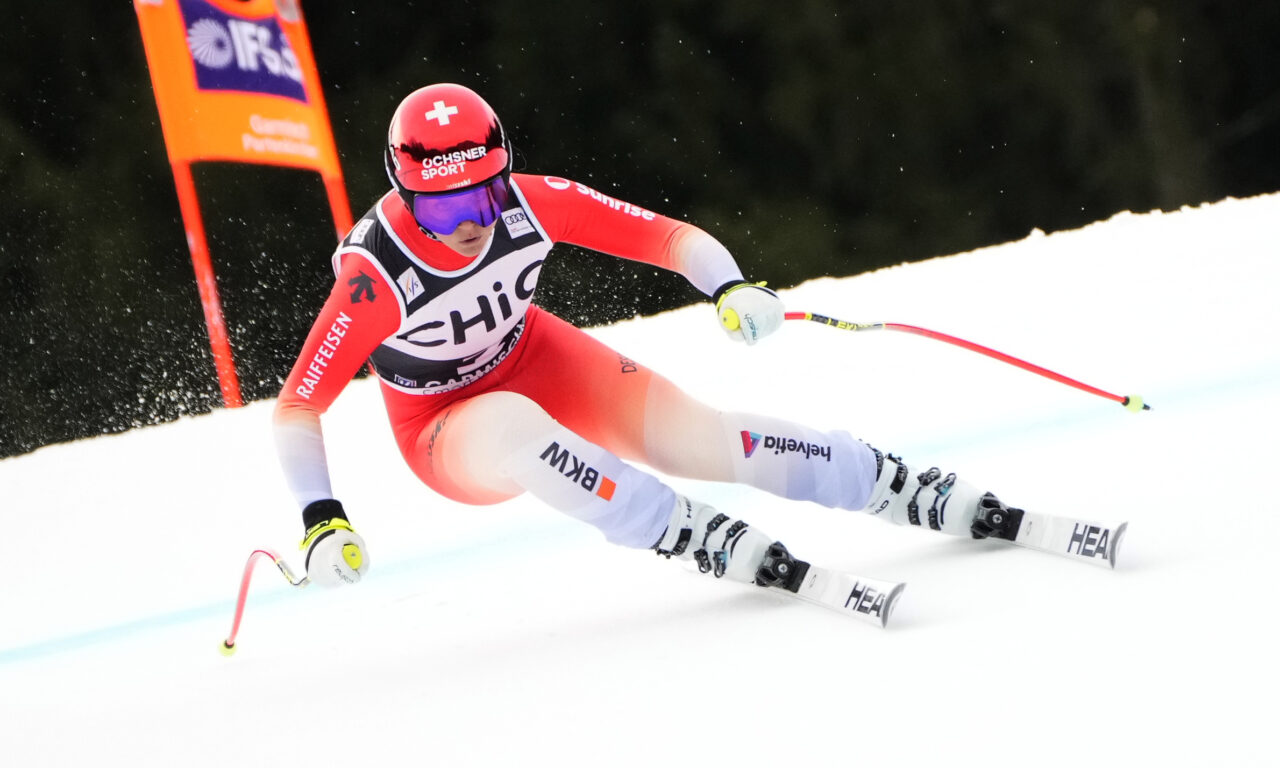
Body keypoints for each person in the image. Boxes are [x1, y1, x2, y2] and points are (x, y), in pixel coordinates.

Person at [274, 83, 1021, 592]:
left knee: (699, 436)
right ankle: (674, 528)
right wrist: (321, 519)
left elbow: (664, 237)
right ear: (405, 198)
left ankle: (882, 480)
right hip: (440, 428)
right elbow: (299, 406)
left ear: (508, 174)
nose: (470, 222)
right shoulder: (375, 278)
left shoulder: (533, 203)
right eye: (442, 210)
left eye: (485, 193)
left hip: (535, 356)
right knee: (512, 427)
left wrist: (728, 285)